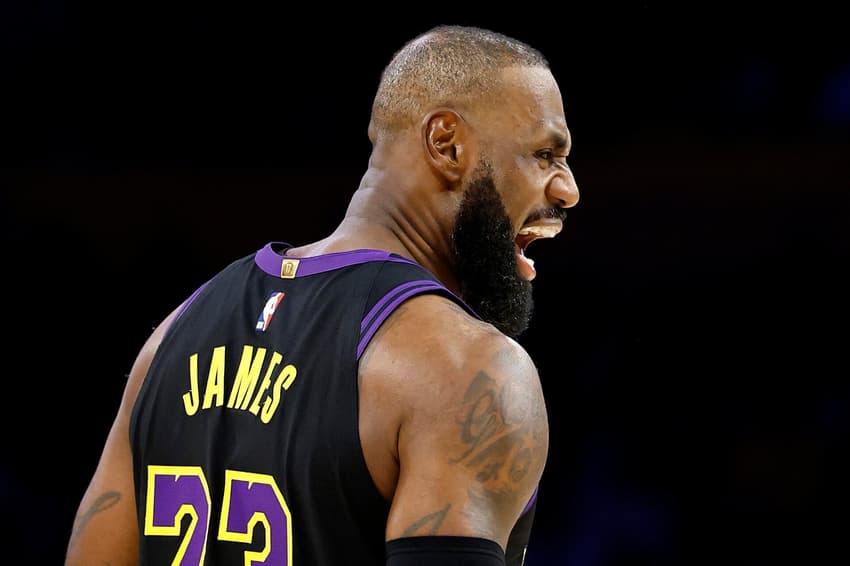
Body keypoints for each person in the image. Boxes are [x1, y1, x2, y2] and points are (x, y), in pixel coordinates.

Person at [65, 24, 579, 566]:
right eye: (545, 154)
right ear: (446, 144)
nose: (569, 189)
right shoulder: (468, 368)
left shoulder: (173, 335)